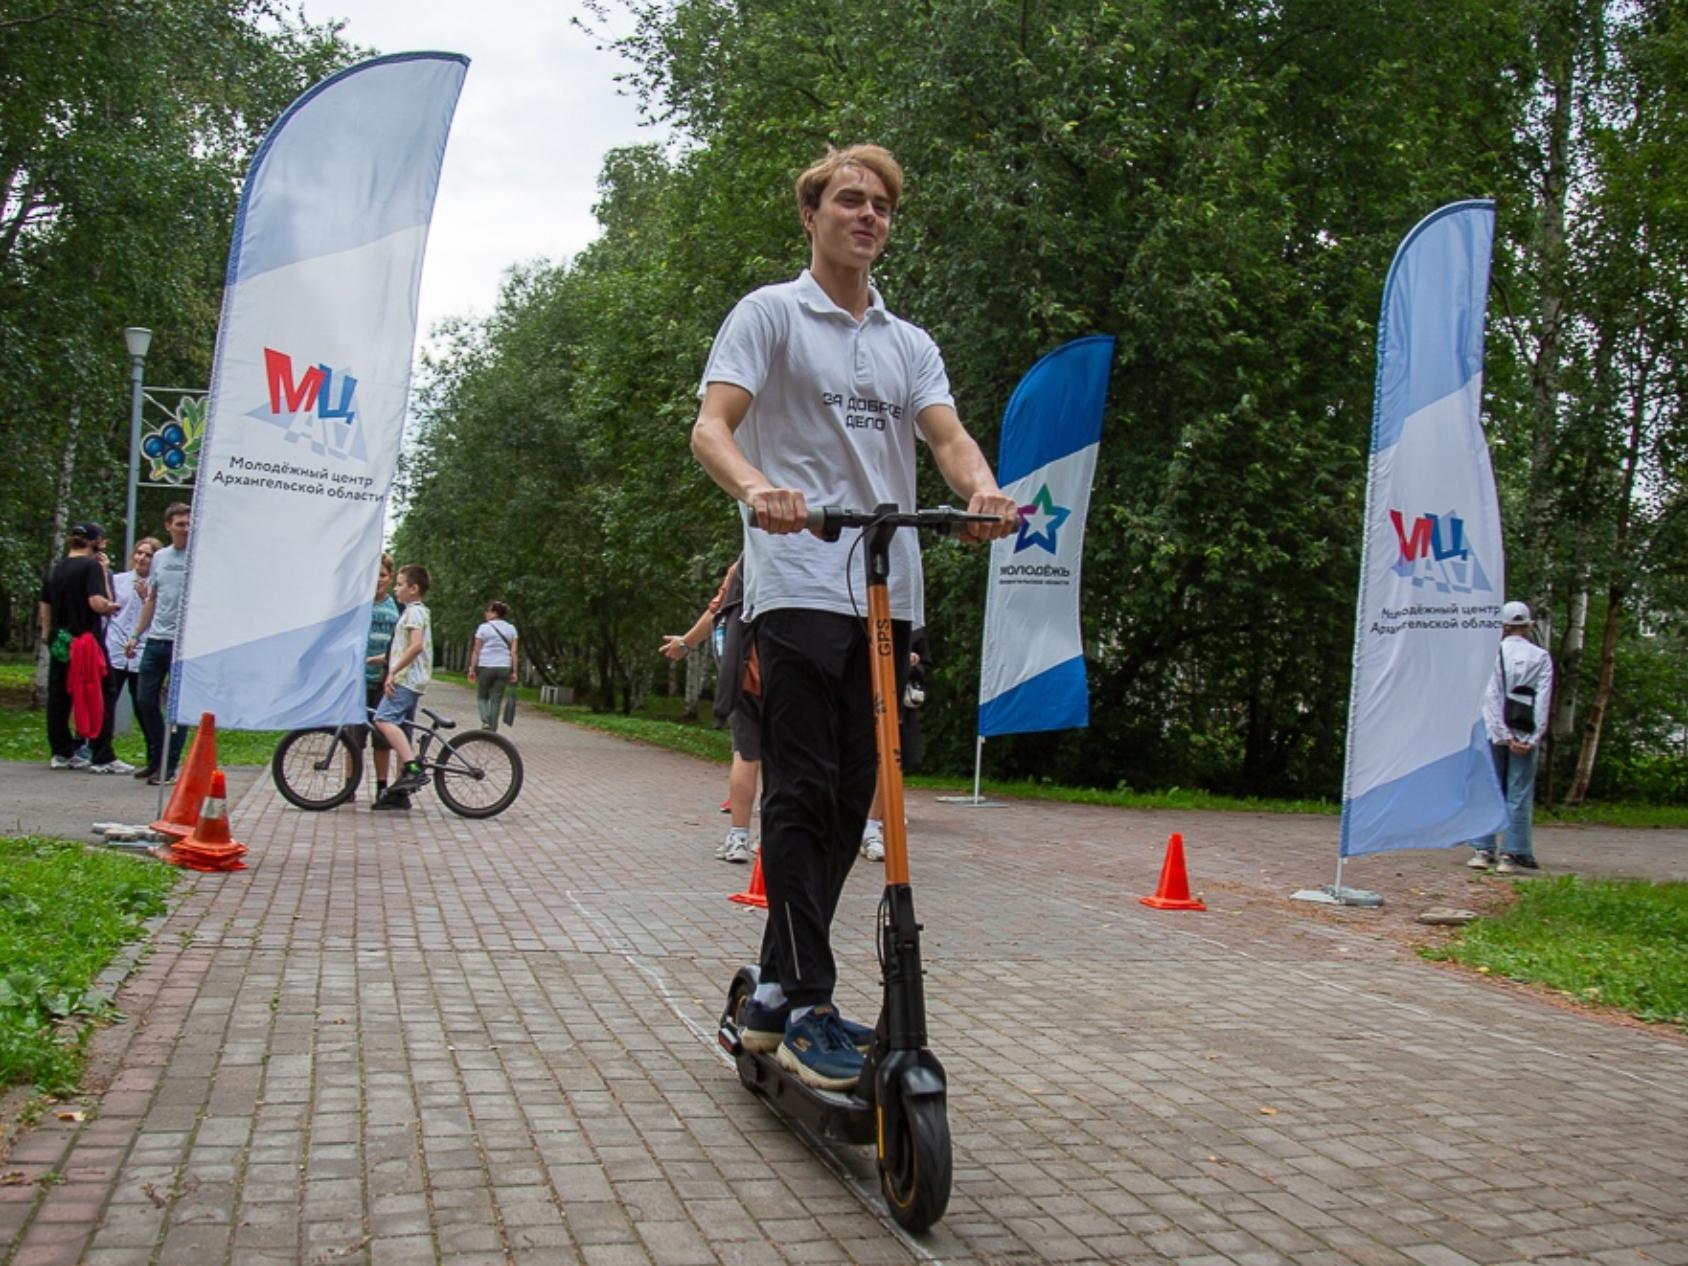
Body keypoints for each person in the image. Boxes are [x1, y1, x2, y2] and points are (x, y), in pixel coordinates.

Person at [690, 143, 1017, 1090]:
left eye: (880, 205)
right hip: (798, 578)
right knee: (801, 783)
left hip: (888, 590)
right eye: (848, 200)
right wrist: (759, 488)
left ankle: (777, 987)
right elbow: (712, 426)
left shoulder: (908, 342)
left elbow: (948, 439)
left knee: (853, 793)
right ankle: (807, 996)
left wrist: (985, 494)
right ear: (812, 215)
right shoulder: (770, 315)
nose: (866, 215)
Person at [661, 556, 759, 864]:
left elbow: (718, 610)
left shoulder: (749, 559)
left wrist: (686, 643)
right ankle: (771, 841)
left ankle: (739, 838)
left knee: (746, 755)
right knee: (783, 758)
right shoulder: (821, 554)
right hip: (795, 672)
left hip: (747, 673)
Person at [1469, 601, 1554, 875]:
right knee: (1519, 791)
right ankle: (1512, 853)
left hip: (1495, 732)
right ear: (1528, 627)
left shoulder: (1493, 654)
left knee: (1490, 787)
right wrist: (1531, 736)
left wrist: (1502, 735)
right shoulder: (1541, 657)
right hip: (1525, 731)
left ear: (1504, 627)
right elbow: (1543, 700)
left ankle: (1483, 849)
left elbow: (1490, 697)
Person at [39, 522, 128, 772]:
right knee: (102, 691)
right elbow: (97, 603)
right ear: (94, 542)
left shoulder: (55, 569)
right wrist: (111, 604)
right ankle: (102, 755)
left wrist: (47, 633)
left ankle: (61, 752)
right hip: (86, 640)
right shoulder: (91, 566)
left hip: (60, 638)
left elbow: (44, 604)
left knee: (59, 696)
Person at [125, 502, 192, 784]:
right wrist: (135, 634)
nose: (185, 528)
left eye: (189, 523)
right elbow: (151, 599)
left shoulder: (199, 555)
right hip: (156, 639)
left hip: (184, 642)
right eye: (180, 524)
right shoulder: (161, 558)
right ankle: (156, 756)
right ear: (168, 527)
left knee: (177, 708)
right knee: (144, 700)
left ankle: (168, 766)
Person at [860, 629, 928, 862]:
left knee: (886, 758)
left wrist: (912, 661)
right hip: (856, 689)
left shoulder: (909, 616)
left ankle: (871, 827)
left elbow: (924, 662)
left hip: (890, 694)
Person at [372, 564, 433, 811]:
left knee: (383, 719)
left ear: (413, 588)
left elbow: (415, 646)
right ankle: (399, 793)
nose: (396, 589)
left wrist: (393, 673)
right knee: (402, 729)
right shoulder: (415, 612)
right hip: (411, 678)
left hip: (406, 680)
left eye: (399, 584)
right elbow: (400, 648)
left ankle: (411, 768)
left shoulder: (413, 613)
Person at [103, 537, 158, 754]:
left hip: (143, 650)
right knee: (107, 702)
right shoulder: (119, 581)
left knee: (143, 704)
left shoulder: (158, 584)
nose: (142, 558)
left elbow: (159, 616)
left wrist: (147, 598)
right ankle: (98, 748)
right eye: (139, 553)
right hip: (115, 647)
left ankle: (154, 754)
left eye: (148, 555)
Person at [354, 555, 402, 803]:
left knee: (382, 740)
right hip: (358, 681)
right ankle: (348, 788)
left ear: (390, 578)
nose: (377, 581)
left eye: (382, 576)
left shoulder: (397, 608)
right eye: (372, 576)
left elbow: (401, 645)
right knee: (353, 738)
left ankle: (381, 787)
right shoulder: (359, 607)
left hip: (384, 680)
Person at [467, 601, 519, 731]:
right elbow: (514, 652)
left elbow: (476, 650)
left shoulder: (483, 628)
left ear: (495, 613)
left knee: (482, 696)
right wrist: (514, 672)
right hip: (504, 666)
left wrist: (472, 668)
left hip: (486, 666)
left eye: (488, 611)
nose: (485, 613)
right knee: (496, 699)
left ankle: (485, 721)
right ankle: (493, 731)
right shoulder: (511, 628)